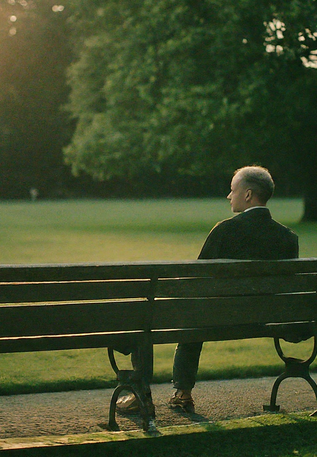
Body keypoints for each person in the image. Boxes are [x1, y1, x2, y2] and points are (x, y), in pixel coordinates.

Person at [116, 165, 299, 414]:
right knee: (197, 313)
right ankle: (178, 393)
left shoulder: (225, 230)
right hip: (266, 318)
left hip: (217, 316)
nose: (228, 196)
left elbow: (197, 280)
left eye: (232, 190)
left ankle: (164, 393)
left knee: (149, 315)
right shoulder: (288, 238)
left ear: (247, 195)